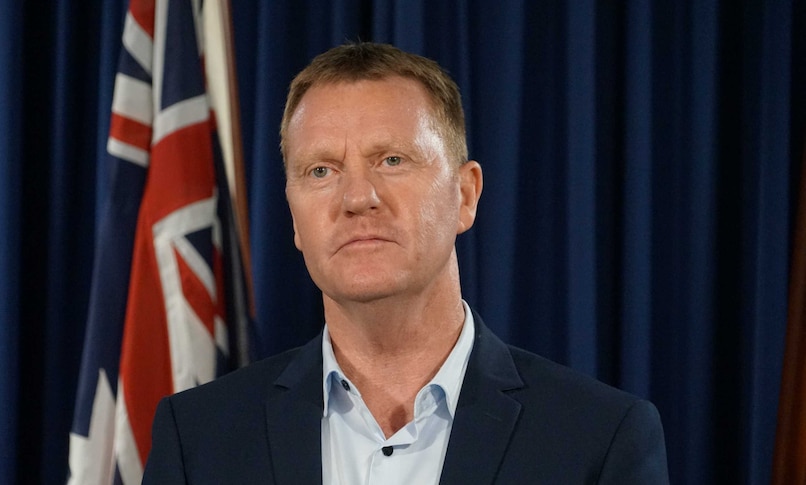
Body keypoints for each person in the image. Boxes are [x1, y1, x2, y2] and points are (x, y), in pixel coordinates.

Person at [142, 42, 669, 484]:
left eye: (392, 160)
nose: (357, 197)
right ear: (295, 219)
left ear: (465, 195)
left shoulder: (599, 439)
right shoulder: (198, 439)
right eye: (321, 170)